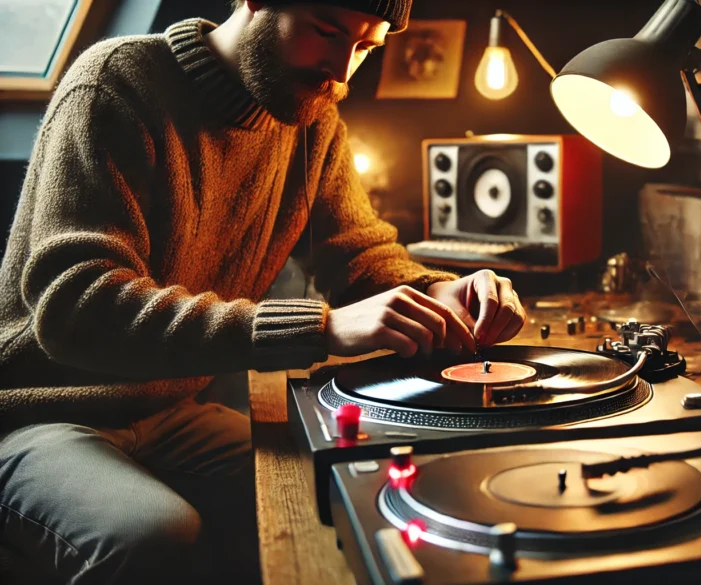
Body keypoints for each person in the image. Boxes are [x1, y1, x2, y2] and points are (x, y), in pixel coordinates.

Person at [0, 0, 526, 583]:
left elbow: (361, 252)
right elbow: (78, 307)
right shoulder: (115, 84)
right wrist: (321, 327)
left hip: (167, 411)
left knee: (349, 482)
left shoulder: (314, 119)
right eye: (326, 31)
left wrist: (440, 292)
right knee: (150, 533)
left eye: (366, 46)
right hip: (34, 413)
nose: (342, 70)